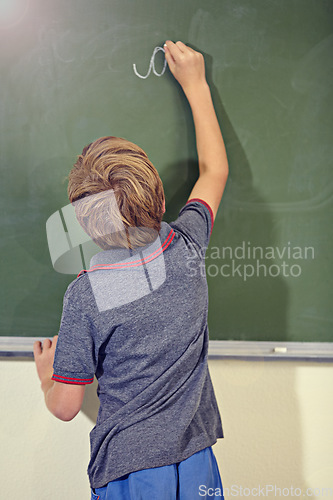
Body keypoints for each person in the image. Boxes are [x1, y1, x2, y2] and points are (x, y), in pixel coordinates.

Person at [34, 40, 229, 500]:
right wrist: (196, 85)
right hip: (198, 458)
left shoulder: (86, 296)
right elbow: (214, 171)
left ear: (85, 225)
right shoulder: (187, 244)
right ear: (160, 199)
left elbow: (65, 406)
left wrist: (47, 376)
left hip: (129, 472)